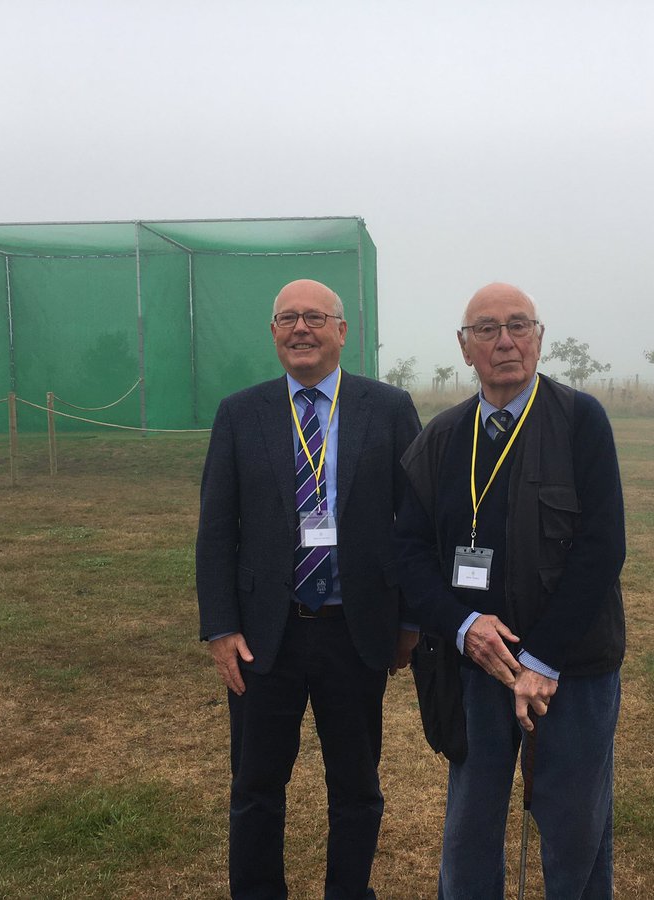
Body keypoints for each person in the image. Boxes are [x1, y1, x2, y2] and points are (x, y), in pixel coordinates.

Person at [395, 282, 626, 899]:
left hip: (570, 670)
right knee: (470, 830)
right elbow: (410, 553)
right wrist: (463, 626)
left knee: (575, 830)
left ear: (540, 338)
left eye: (519, 326)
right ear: (465, 347)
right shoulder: (441, 439)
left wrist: (542, 658)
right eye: (488, 329)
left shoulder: (580, 421)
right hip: (476, 665)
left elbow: (603, 549)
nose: (505, 341)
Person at [196, 278, 421, 900]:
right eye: (288, 318)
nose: (302, 328)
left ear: (341, 332)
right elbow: (216, 530)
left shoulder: (390, 407)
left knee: (356, 787)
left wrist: (411, 623)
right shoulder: (241, 413)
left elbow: (418, 523)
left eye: (315, 318)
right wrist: (220, 627)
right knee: (255, 788)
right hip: (265, 637)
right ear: (273, 332)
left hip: (356, 631)